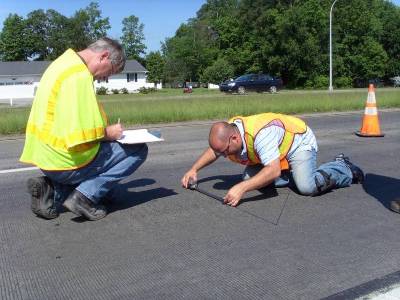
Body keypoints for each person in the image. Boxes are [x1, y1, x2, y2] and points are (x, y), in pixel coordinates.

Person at [20, 37, 148, 221]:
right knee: (139, 149)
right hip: (65, 161)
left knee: (108, 190)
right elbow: (81, 135)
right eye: (109, 72)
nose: (104, 78)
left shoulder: (62, 63)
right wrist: (109, 133)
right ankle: (84, 198)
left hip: (45, 156)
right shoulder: (79, 76)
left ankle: (52, 189)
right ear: (104, 56)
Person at [181, 112, 364, 207]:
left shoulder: (261, 134)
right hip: (273, 151)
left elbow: (273, 171)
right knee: (250, 180)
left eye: (224, 152)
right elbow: (214, 150)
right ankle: (293, 173)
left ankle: (342, 166)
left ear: (234, 139)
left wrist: (241, 189)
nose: (222, 155)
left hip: (299, 142)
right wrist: (194, 169)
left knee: (306, 187)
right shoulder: (229, 133)